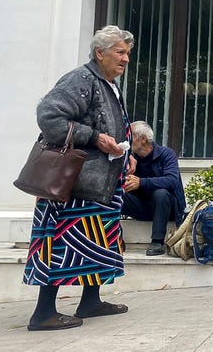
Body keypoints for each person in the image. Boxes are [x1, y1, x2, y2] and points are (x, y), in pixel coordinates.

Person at [23, 25, 135, 331]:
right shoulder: (81, 79)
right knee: (59, 244)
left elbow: (114, 125)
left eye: (127, 53)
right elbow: (50, 117)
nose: (125, 59)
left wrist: (127, 155)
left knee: (99, 242)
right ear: (100, 53)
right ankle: (43, 313)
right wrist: (95, 137)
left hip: (99, 183)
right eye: (120, 52)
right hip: (74, 185)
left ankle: (91, 301)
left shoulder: (108, 83)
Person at [122, 121, 186, 256]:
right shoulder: (130, 158)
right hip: (142, 207)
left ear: (143, 139)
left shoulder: (166, 154)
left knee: (161, 193)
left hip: (167, 209)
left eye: (130, 136)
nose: (126, 139)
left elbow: (172, 181)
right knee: (117, 194)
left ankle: (157, 241)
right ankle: (115, 237)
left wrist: (141, 182)